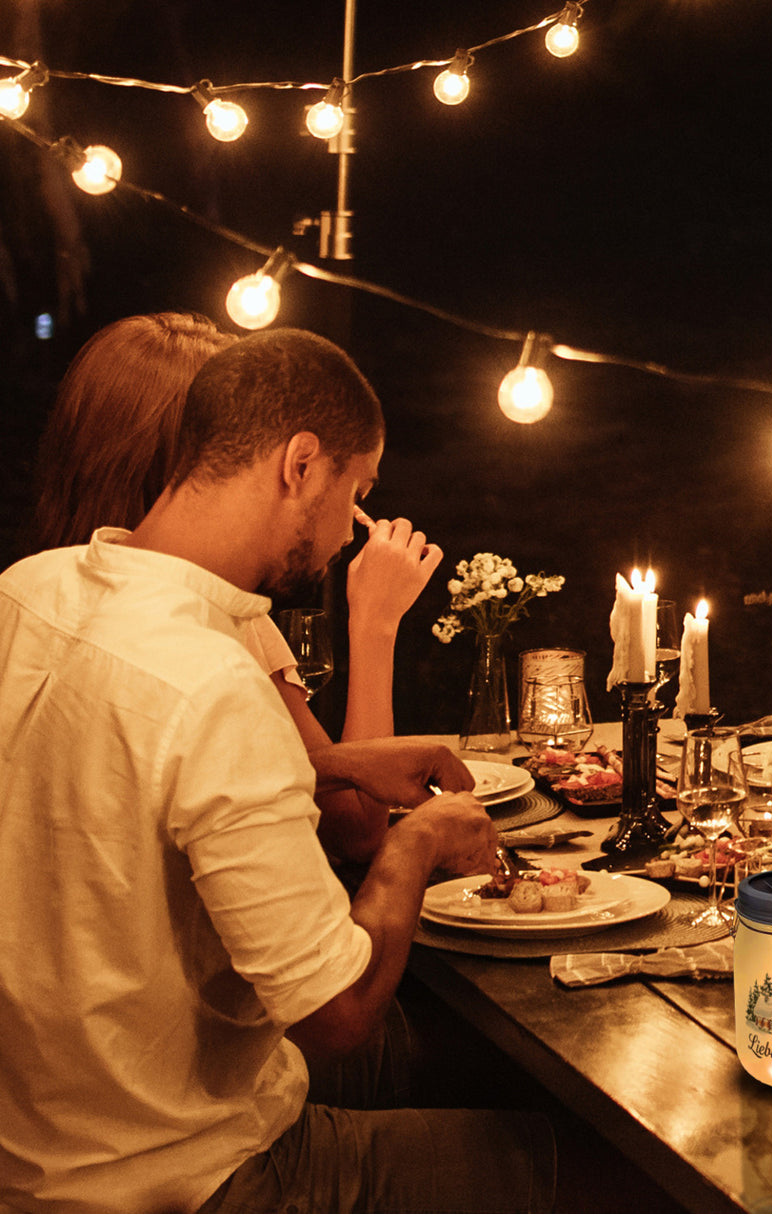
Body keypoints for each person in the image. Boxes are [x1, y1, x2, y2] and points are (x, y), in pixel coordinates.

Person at [0, 328, 554, 1213]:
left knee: (502, 1071)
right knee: (597, 1166)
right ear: (300, 464)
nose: (349, 531)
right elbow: (333, 1015)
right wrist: (418, 847)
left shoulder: (31, 589)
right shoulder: (212, 680)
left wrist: (332, 762)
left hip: (38, 1143)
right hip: (186, 1176)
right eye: (356, 493)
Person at [27, 312, 449, 861]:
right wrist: (375, 622)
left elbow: (143, 785)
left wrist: (337, 764)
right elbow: (352, 829)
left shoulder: (38, 585)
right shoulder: (215, 632)